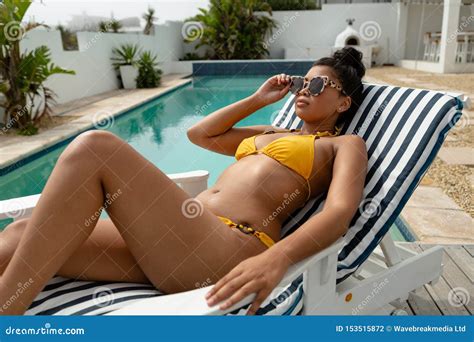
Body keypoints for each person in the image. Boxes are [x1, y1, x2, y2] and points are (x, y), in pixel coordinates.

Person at [0, 46, 368, 315]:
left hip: (229, 247)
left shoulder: (343, 145)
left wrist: (276, 258)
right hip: (178, 243)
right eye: (304, 81)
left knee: (95, 148)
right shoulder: (272, 130)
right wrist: (258, 98)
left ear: (342, 104)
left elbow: (338, 213)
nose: (304, 89)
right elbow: (200, 135)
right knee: (19, 234)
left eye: (319, 85)